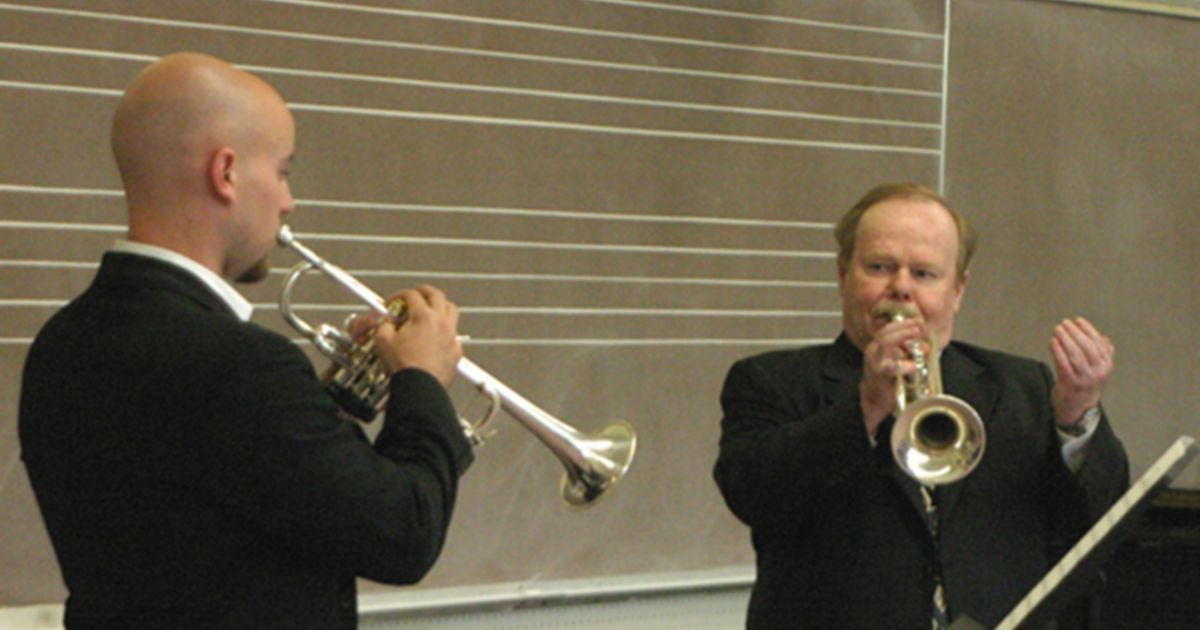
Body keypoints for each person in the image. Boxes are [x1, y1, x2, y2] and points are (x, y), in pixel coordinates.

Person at [18, 52, 474, 629]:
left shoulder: (63, 344)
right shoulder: (242, 366)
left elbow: (228, 491)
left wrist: (339, 404)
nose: (288, 202)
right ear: (226, 172)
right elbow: (405, 534)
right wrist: (422, 383)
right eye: (282, 171)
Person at [713, 183, 1129, 629]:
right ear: (842, 274)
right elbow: (752, 494)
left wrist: (1077, 414)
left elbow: (1094, 525)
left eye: (925, 274)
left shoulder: (1020, 385)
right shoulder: (771, 381)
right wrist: (866, 406)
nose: (901, 289)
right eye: (879, 267)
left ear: (958, 289)